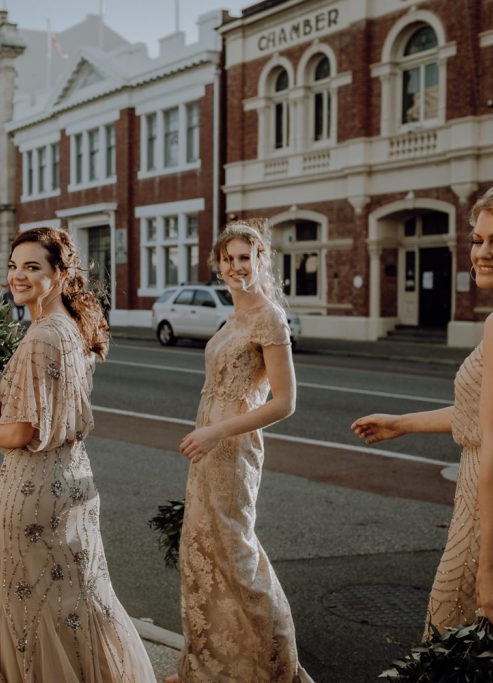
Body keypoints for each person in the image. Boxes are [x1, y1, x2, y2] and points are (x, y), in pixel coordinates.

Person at [352, 180, 493, 675]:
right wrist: (403, 422)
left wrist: (490, 566)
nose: (482, 253)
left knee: (452, 659)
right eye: (478, 240)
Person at [0, 227, 155, 682]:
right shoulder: (71, 326)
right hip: (72, 481)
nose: (17, 276)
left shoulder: (43, 335)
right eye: (13, 266)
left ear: (60, 275)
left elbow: (24, 431)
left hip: (31, 490)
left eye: (32, 267)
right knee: (77, 600)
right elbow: (50, 402)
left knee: (26, 606)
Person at [170, 220, 312, 683]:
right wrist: (205, 432)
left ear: (259, 260)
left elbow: (286, 403)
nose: (235, 266)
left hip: (233, 449)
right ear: (217, 263)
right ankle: (210, 665)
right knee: (201, 551)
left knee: (236, 555)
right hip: (208, 444)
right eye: (227, 258)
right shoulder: (233, 316)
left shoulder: (269, 317)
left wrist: (217, 432)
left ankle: (275, 665)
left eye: (244, 257)